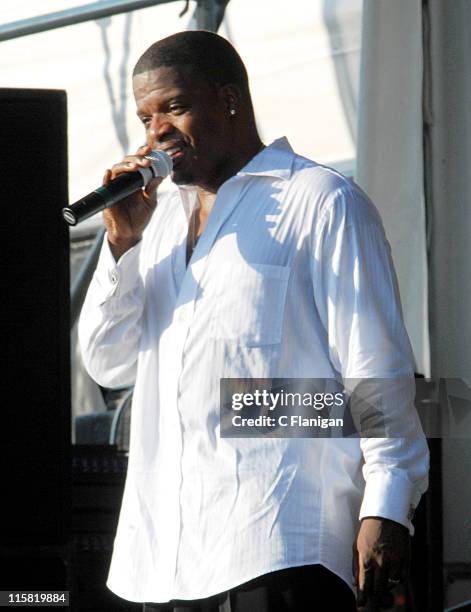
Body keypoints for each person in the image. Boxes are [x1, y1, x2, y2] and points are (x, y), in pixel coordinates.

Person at [78, 30, 429, 611]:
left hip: (275, 545)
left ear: (230, 101)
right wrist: (122, 245)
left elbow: (376, 367)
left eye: (175, 107)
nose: (157, 132)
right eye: (145, 118)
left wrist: (387, 505)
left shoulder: (320, 200)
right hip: (162, 563)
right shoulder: (157, 225)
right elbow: (109, 364)